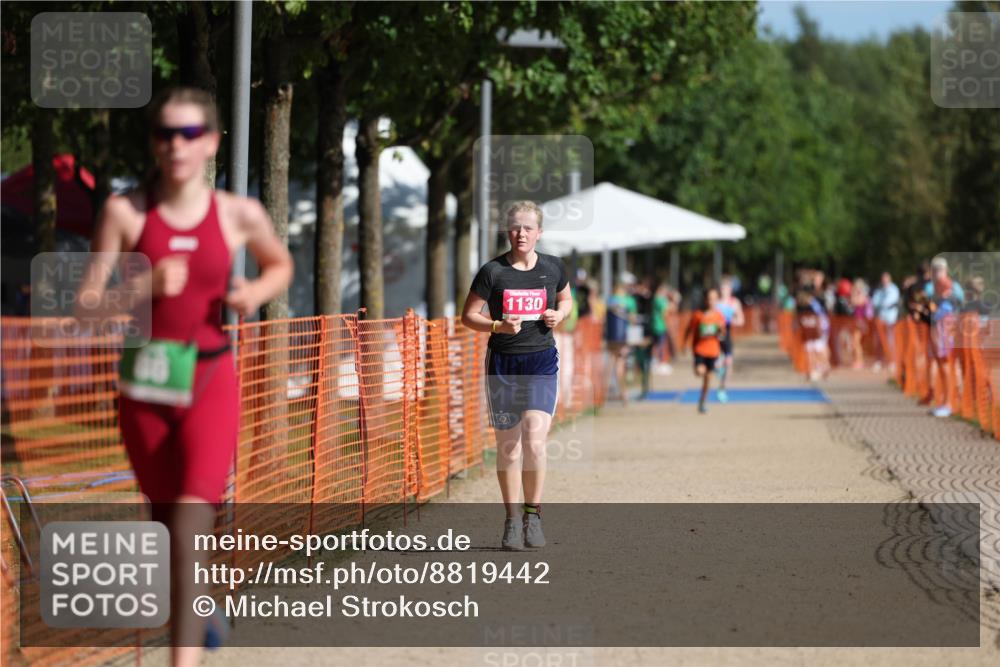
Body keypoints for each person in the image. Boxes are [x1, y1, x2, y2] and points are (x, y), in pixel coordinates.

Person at [77, 87, 293, 667]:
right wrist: (142, 287)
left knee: (192, 528)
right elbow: (87, 306)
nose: (177, 145)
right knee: (167, 532)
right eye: (165, 134)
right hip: (145, 388)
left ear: (212, 142)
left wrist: (252, 292)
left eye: (190, 133)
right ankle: (201, 615)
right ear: (153, 143)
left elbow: (280, 265)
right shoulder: (126, 213)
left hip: (209, 383)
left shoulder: (237, 213)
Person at [460, 200, 572, 551]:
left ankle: (533, 517)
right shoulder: (493, 272)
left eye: (527, 228)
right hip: (503, 366)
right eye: (515, 227)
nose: (520, 233)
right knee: (508, 450)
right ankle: (511, 522)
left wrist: (560, 315)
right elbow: (468, 315)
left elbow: (566, 300)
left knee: (535, 442)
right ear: (507, 231)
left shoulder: (553, 268)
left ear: (539, 232)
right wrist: (497, 325)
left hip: (540, 363)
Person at [683, 288, 726, 414]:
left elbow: (722, 335)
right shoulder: (698, 315)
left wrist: (720, 330)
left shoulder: (718, 316)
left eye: (714, 299)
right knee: (699, 371)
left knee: (708, 379)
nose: (711, 301)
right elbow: (689, 330)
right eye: (709, 298)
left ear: (717, 300)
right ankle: (709, 369)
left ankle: (703, 401)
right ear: (705, 300)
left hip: (713, 351)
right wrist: (685, 344)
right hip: (700, 350)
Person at [929, 275, 959, 418]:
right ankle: (944, 402)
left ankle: (948, 403)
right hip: (940, 338)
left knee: (946, 368)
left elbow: (938, 315)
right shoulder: (942, 299)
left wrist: (932, 310)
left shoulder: (949, 299)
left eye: (937, 285)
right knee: (942, 368)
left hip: (945, 339)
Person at [604, 281, 637, 404]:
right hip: (623, 337)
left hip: (611, 337)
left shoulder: (610, 300)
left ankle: (603, 394)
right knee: (620, 366)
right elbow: (633, 320)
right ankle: (624, 395)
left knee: (610, 364)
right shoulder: (629, 301)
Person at [714, 276, 745, 403]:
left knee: (729, 363)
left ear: (730, 289)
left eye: (726, 288)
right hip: (715, 336)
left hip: (727, 336)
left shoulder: (734, 303)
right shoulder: (715, 302)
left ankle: (723, 389)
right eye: (722, 288)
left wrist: (730, 320)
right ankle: (718, 369)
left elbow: (741, 320)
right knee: (717, 363)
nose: (724, 290)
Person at [870, 271, 900, 372]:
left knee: (890, 340)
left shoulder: (893, 289)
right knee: (879, 340)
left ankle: (892, 361)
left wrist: (881, 305)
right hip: (881, 319)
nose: (884, 281)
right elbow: (875, 302)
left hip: (890, 319)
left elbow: (889, 302)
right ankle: (879, 361)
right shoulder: (879, 290)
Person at [850, 278, 873, 370]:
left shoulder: (862, 295)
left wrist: (853, 295)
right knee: (856, 342)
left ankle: (859, 361)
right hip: (857, 320)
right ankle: (858, 360)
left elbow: (856, 302)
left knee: (856, 342)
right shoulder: (860, 295)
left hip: (861, 321)